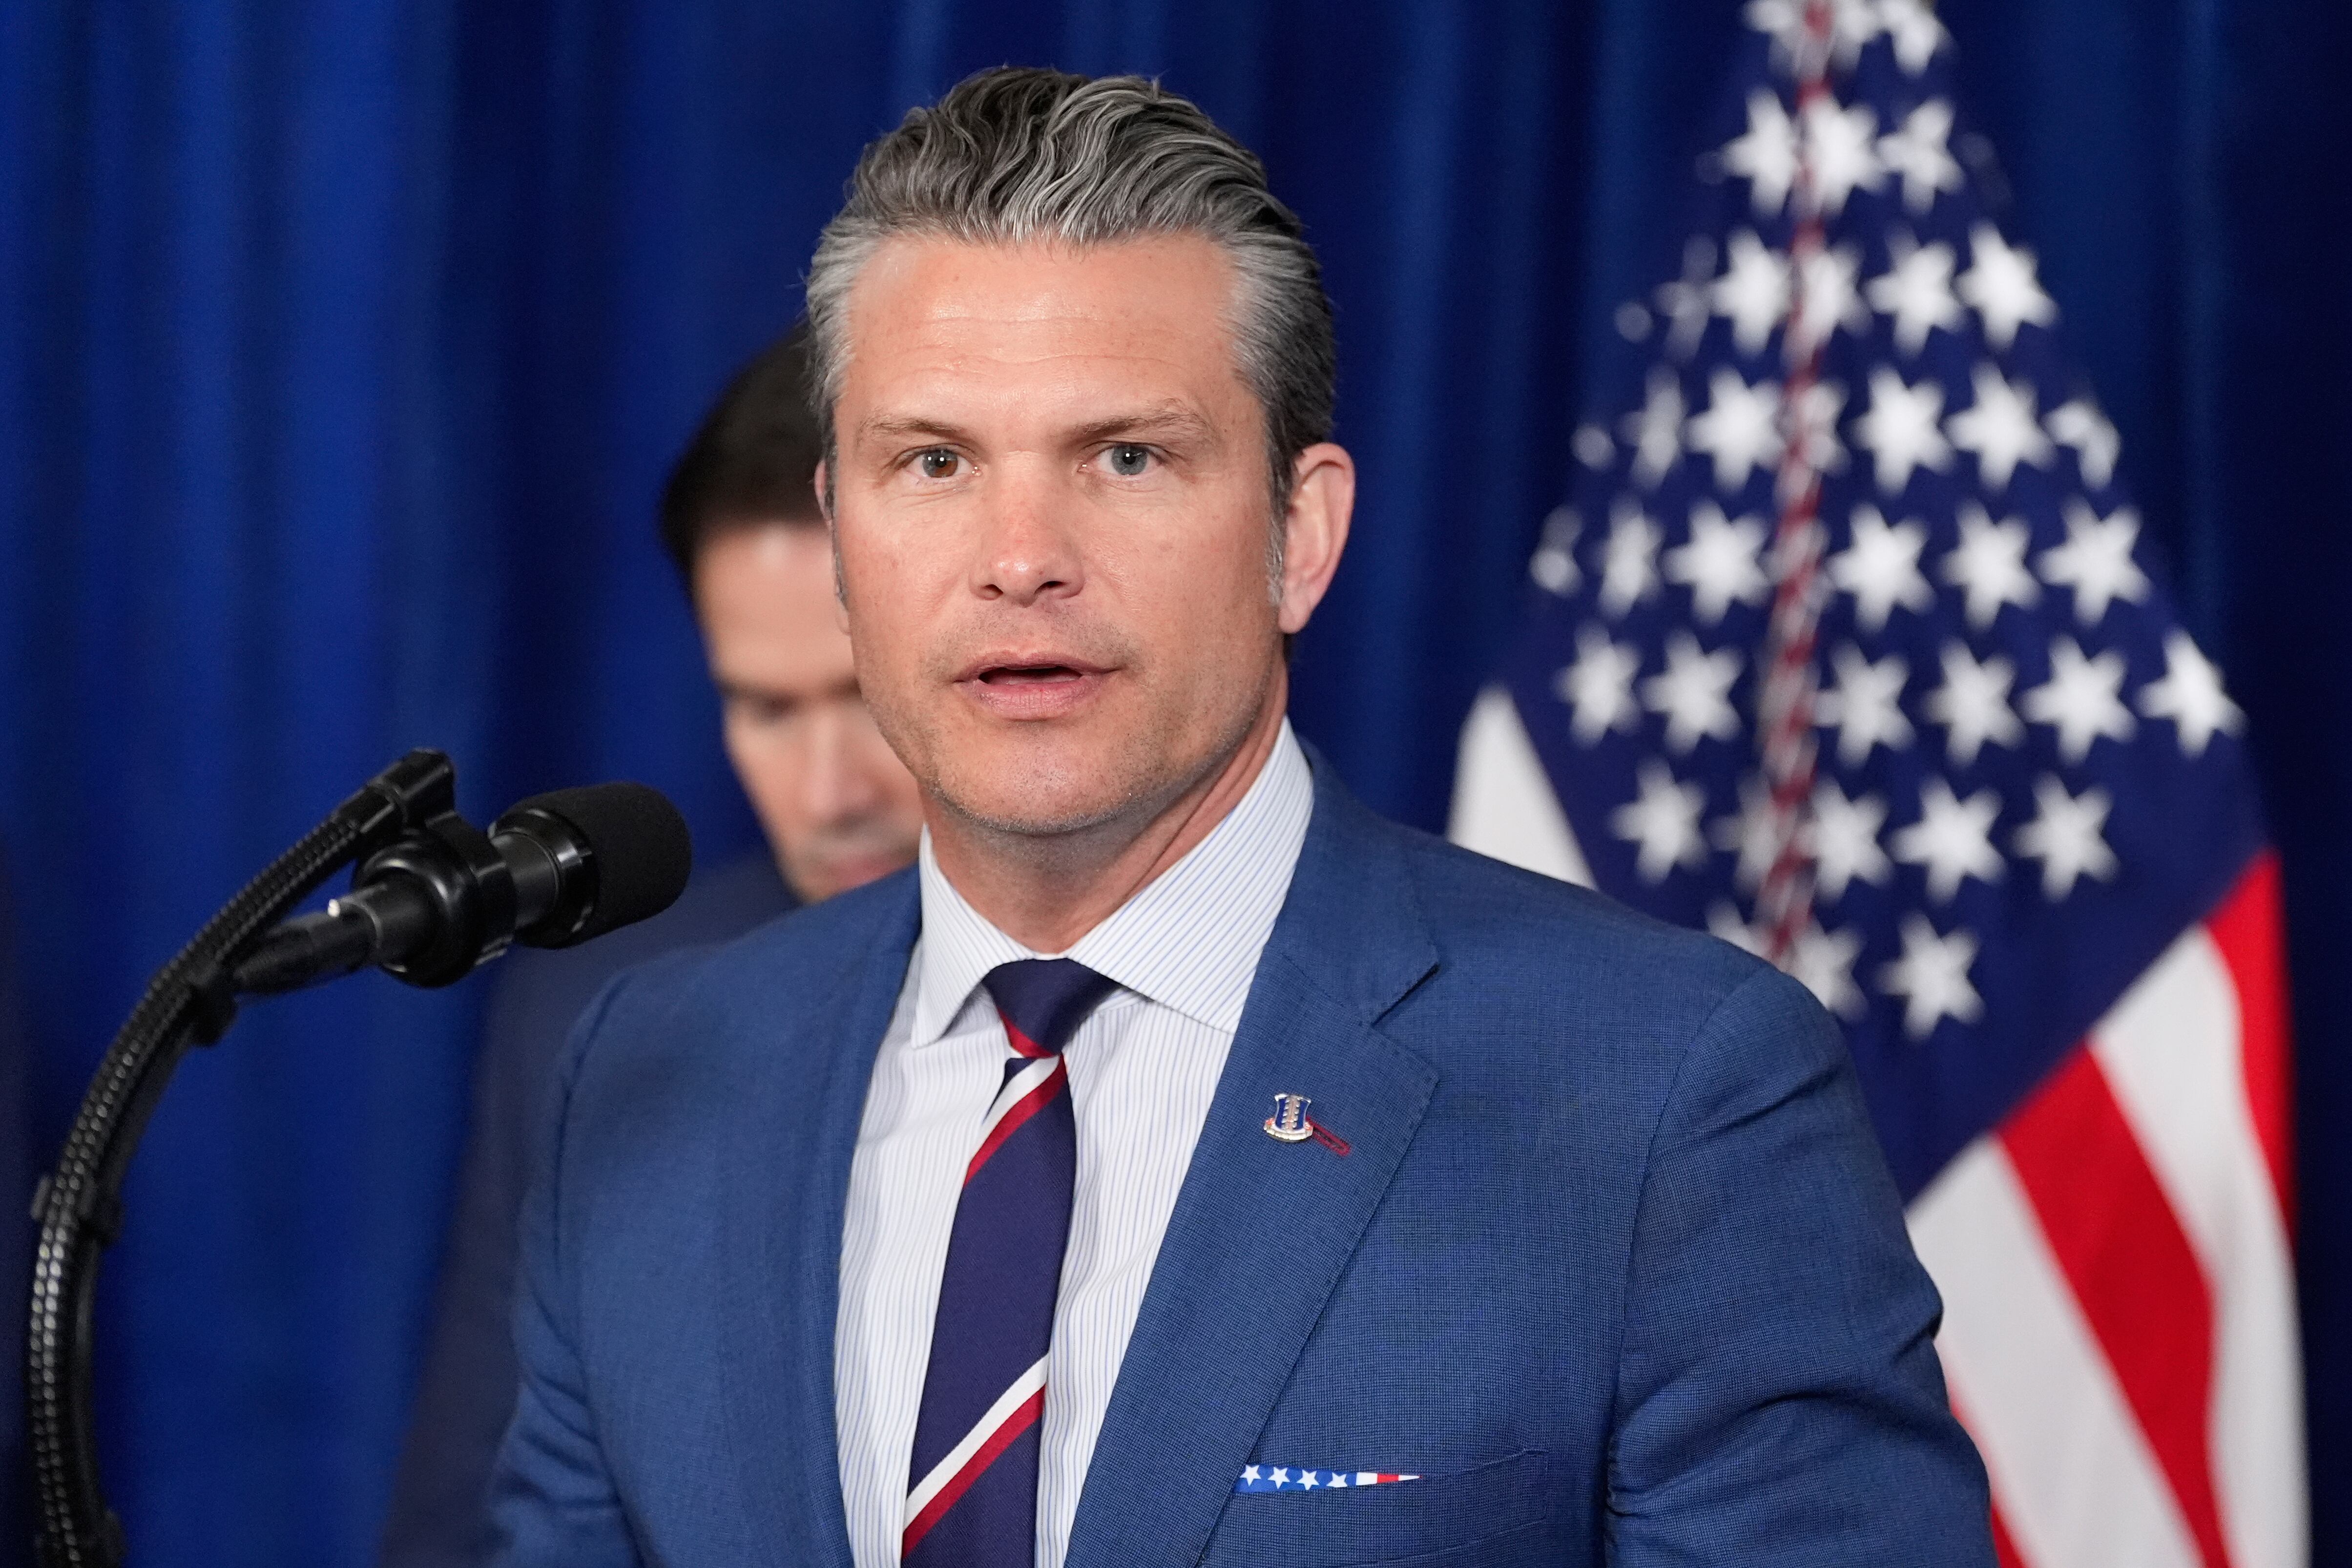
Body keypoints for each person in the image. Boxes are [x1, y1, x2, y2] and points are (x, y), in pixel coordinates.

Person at [488, 68, 1994, 1567]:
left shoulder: (1667, 1094)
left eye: (1125, 457)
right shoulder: (650, 1077)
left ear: (1299, 534)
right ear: (840, 543)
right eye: (933, 462)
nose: (1021, 558)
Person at [379, 325, 923, 1568]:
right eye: (767, 709)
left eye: (869, 694)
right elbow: (465, 1514)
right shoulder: (605, 1009)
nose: (831, 787)